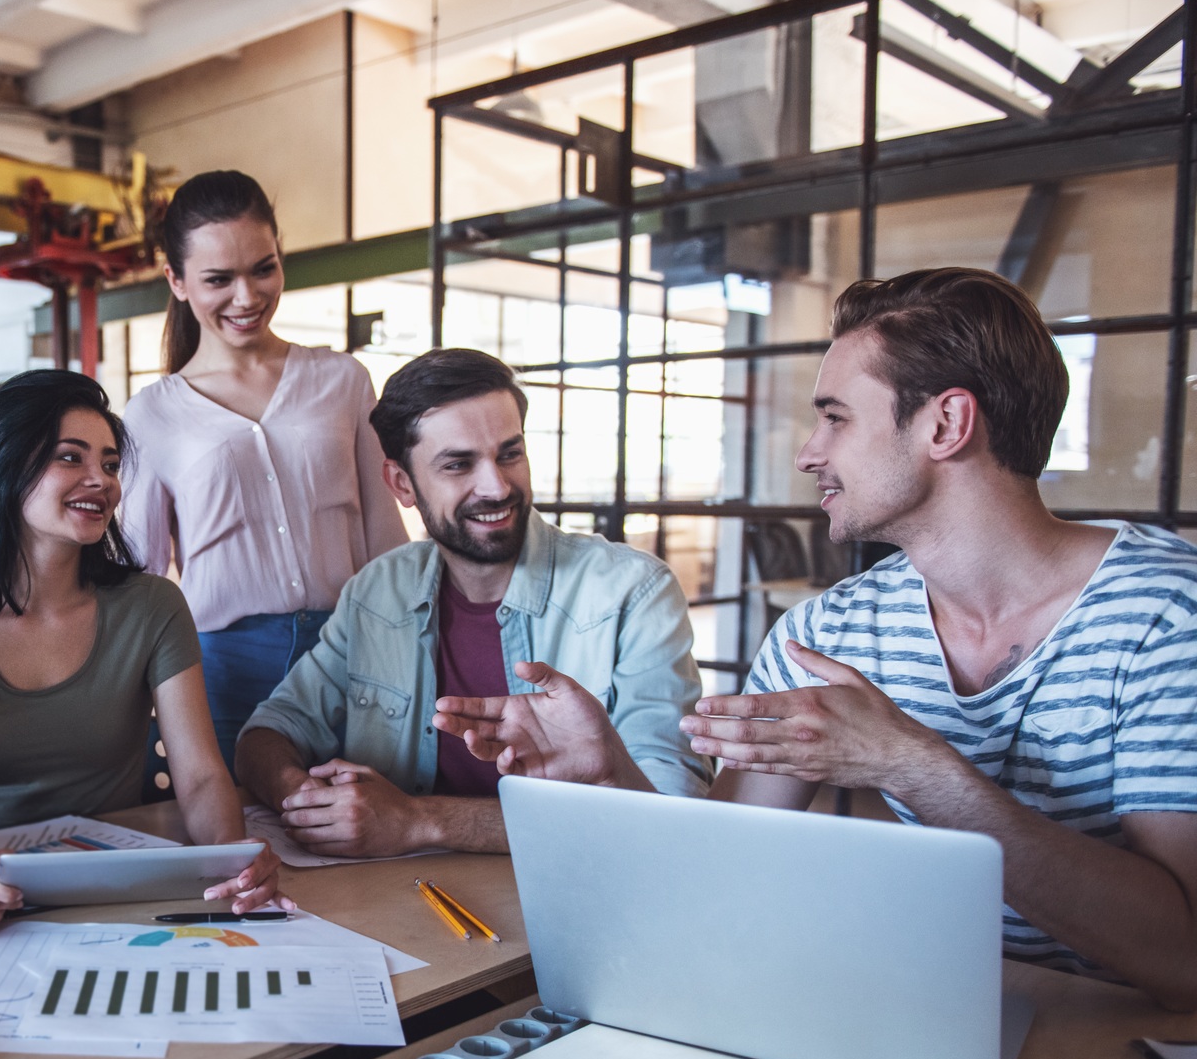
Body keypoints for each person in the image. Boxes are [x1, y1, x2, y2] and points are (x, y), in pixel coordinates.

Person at [436, 268, 1197, 1011]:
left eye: (836, 417)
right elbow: (716, 871)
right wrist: (610, 777)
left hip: (1128, 1054)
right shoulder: (828, 630)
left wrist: (912, 764)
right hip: (934, 1017)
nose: (808, 452)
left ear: (946, 424)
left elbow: (1183, 959)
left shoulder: (1169, 612)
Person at [235, 348, 709, 859]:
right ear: (401, 484)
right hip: (397, 899)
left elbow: (671, 811)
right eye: (459, 464)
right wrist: (306, 800)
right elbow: (268, 734)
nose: (496, 486)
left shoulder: (633, 593)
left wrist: (421, 822)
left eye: (510, 453)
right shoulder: (376, 591)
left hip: (578, 891)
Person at [0, 369, 283, 939]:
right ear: (4, 467)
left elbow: (198, 775)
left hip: (121, 874)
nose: (102, 481)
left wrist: (229, 858)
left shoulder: (152, 604)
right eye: (71, 458)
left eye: (112, 464)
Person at [122, 170, 408, 765]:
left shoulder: (343, 381)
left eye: (263, 268)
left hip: (352, 650)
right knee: (242, 843)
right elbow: (138, 581)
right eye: (218, 279)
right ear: (175, 280)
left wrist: (408, 646)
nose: (247, 296)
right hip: (222, 670)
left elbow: (385, 534)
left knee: (360, 832)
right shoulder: (151, 415)